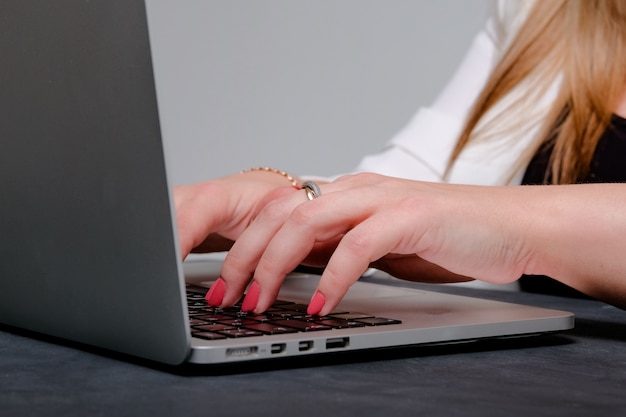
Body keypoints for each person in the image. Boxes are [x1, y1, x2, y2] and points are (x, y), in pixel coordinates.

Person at [174, 0, 626, 316]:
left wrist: (519, 232)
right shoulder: (550, 10)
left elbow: (471, 212)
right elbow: (427, 183)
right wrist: (283, 201)